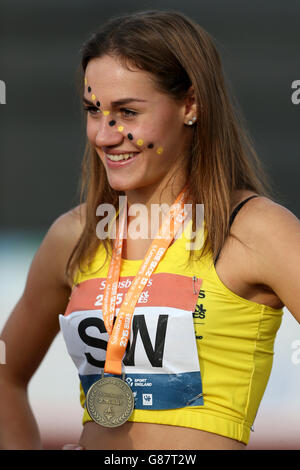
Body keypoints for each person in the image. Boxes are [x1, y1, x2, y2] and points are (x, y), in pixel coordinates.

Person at [0, 10, 299, 451]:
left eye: (127, 112)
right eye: (93, 111)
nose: (104, 135)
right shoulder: (75, 234)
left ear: (190, 106)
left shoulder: (256, 229)